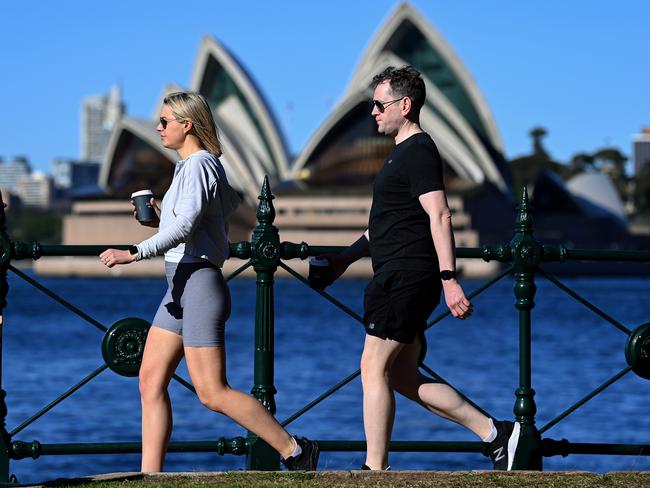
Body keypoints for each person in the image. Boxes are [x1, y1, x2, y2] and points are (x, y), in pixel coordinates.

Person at [99, 91, 318, 472]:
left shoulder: (200, 165)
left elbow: (187, 226)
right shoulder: (189, 167)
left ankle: (296, 450)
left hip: (198, 284)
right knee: (149, 381)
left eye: (165, 121)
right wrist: (161, 215)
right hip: (178, 286)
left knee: (211, 391)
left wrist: (133, 252)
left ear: (187, 124)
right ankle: (151, 477)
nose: (158, 127)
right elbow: (204, 218)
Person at [318, 67, 521, 471]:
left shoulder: (420, 150)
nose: (373, 112)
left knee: (372, 366)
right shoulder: (400, 154)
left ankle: (374, 468)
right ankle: (498, 435)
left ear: (404, 105)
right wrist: (343, 260)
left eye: (379, 104)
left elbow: (440, 214)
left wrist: (449, 281)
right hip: (397, 274)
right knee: (402, 376)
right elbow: (385, 226)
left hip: (408, 276)